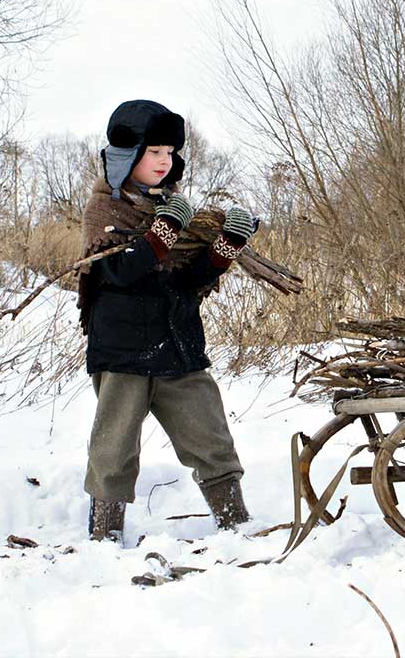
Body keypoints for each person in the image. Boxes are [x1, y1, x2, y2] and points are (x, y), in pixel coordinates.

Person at [75, 99, 255, 544]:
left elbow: (191, 280)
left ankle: (238, 527)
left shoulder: (177, 209)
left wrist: (225, 246)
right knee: (113, 451)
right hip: (122, 350)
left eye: (169, 152)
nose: (164, 161)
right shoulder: (105, 210)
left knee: (211, 437)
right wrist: (160, 235)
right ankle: (104, 540)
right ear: (126, 155)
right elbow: (117, 272)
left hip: (178, 344)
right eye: (153, 151)